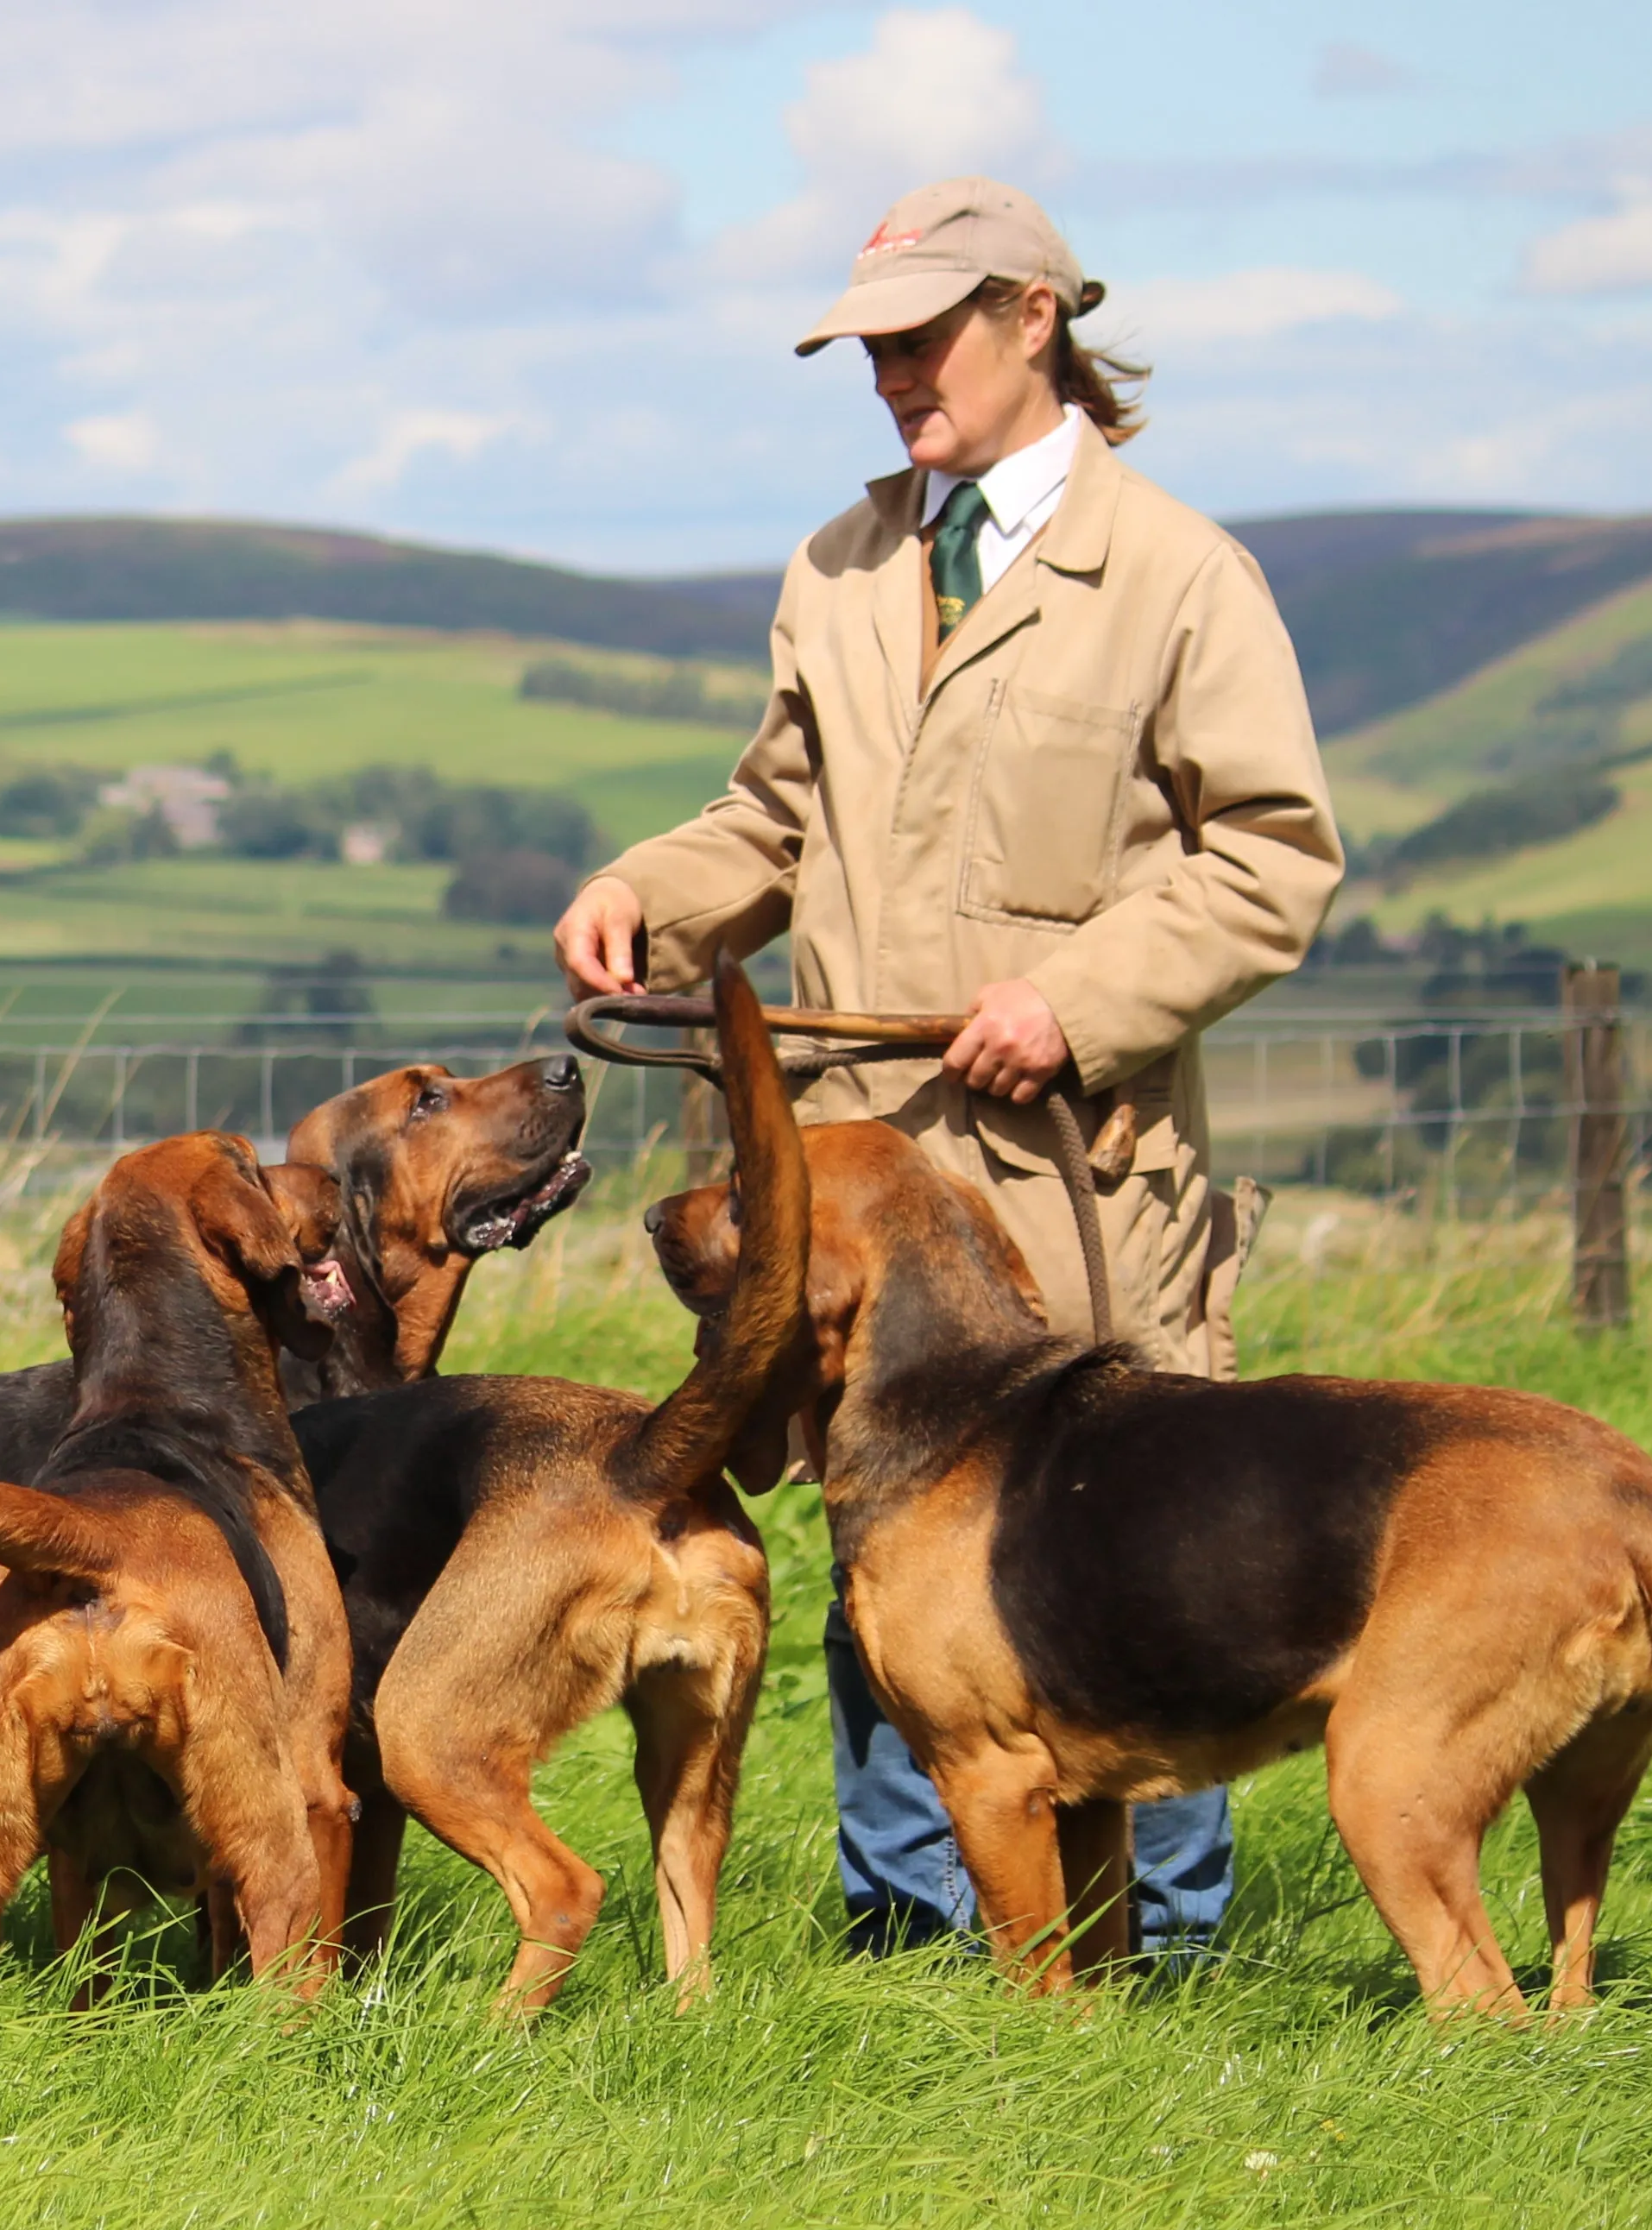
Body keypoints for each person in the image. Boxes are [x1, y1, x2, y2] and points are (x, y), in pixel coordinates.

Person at [556, 175, 1342, 1963]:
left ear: (1032, 318)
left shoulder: (1178, 574)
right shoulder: (837, 568)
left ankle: (1168, 1953)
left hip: (1075, 1167)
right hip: (854, 1187)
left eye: (921, 337)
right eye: (872, 347)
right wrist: (642, 898)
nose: (892, 373)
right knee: (878, 1546)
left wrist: (1077, 999)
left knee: (1137, 1548)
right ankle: (908, 1942)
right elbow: (771, 819)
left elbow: (1272, 857)